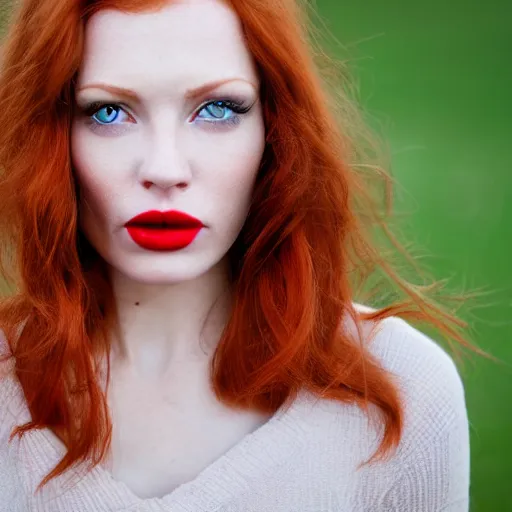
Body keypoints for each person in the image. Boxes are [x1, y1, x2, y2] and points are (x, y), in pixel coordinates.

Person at [0, 0, 473, 510]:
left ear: (276, 131)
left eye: (218, 109)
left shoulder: (399, 392)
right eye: (109, 112)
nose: (164, 167)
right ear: (48, 136)